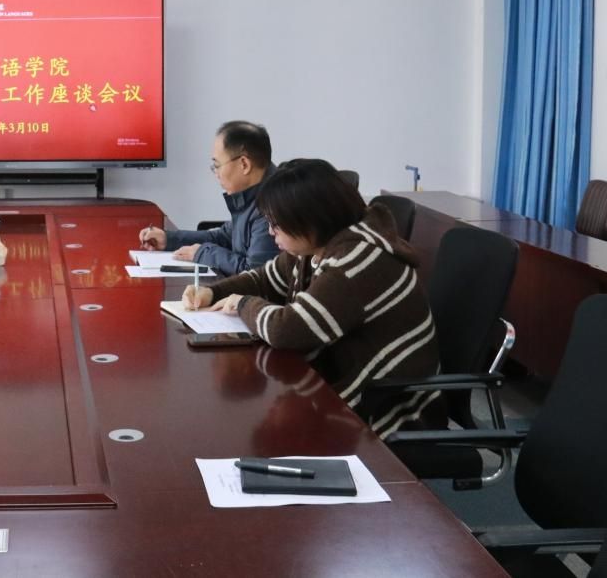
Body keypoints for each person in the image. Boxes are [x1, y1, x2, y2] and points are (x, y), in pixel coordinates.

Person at [181, 158, 442, 437]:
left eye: (276, 224)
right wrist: (214, 292)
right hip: (347, 390)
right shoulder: (317, 245)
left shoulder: (358, 260)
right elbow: (266, 278)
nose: (270, 232)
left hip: (389, 414)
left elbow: (287, 329)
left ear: (308, 221)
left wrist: (243, 303)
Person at [139, 120, 279, 276]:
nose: (216, 173)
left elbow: (255, 274)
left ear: (244, 164)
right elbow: (224, 237)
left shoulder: (273, 204)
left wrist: (203, 253)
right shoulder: (251, 194)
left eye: (217, 165)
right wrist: (169, 239)